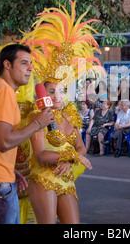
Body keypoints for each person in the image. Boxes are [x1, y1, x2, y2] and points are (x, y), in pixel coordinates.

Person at [0, 44, 55, 224]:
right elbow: (4, 142)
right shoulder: (3, 93)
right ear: (7, 65)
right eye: (24, 63)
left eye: (30, 63)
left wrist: (9, 169)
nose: (30, 68)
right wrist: (37, 123)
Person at [28, 81, 92, 224]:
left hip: (66, 180)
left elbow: (81, 148)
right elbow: (40, 155)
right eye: (51, 92)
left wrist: (70, 161)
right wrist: (72, 156)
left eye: (61, 91)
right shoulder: (38, 118)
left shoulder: (70, 117)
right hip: (43, 178)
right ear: (43, 94)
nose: (57, 96)